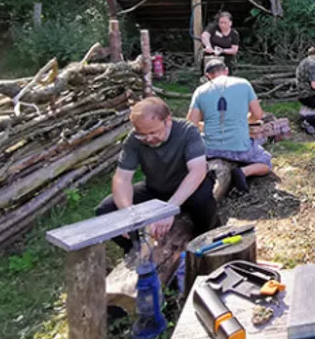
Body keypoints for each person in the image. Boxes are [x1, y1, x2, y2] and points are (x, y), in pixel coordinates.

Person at [95, 97, 218, 252]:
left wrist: (169, 209)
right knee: (106, 210)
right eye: (142, 134)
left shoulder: (188, 131)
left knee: (203, 202)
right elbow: (122, 179)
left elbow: (197, 171)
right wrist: (128, 213)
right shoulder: (133, 139)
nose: (148, 139)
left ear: (168, 120)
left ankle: (203, 240)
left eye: (153, 132)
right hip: (156, 188)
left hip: (190, 187)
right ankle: (135, 250)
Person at [186, 59, 272, 194]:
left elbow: (191, 125)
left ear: (207, 76)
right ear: (226, 70)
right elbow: (258, 115)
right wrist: (243, 120)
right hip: (240, 148)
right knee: (266, 163)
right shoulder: (244, 84)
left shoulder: (200, 91)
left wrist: (206, 126)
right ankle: (243, 172)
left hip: (210, 149)